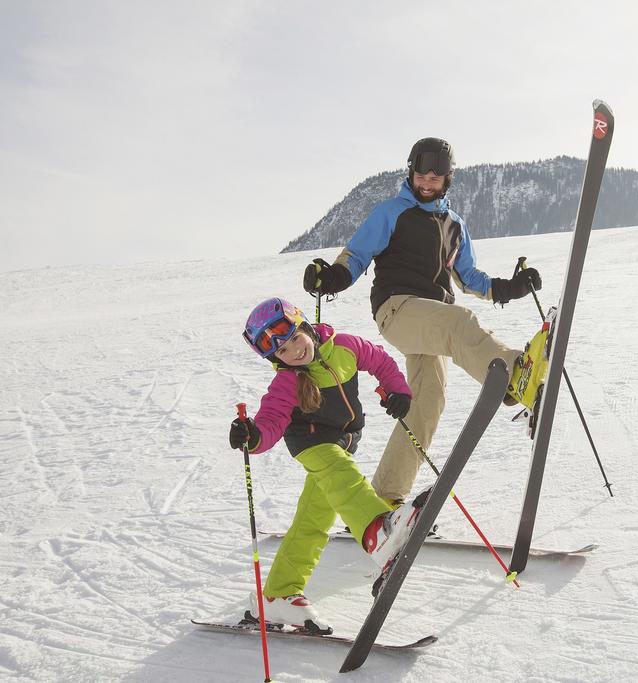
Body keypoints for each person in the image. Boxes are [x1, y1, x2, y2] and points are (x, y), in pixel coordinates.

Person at [302, 137, 548, 505]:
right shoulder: (391, 212)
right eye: (422, 174)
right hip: (398, 308)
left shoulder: (455, 225)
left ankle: (385, 499)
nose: (428, 181)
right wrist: (333, 277)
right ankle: (516, 375)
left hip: (433, 319)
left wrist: (511, 287)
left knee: (426, 402)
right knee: (459, 324)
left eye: (437, 175)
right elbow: (356, 255)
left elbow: (469, 279)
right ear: (411, 173)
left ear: (448, 178)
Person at [229, 296, 422, 634]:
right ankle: (378, 531)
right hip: (311, 444)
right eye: (283, 351)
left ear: (304, 325)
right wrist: (253, 436)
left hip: (345, 440)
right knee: (343, 479)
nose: (294, 351)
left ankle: (277, 595)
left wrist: (397, 391)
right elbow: (271, 420)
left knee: (313, 520)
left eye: (294, 339)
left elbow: (381, 362)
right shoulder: (288, 381)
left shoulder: (345, 347)